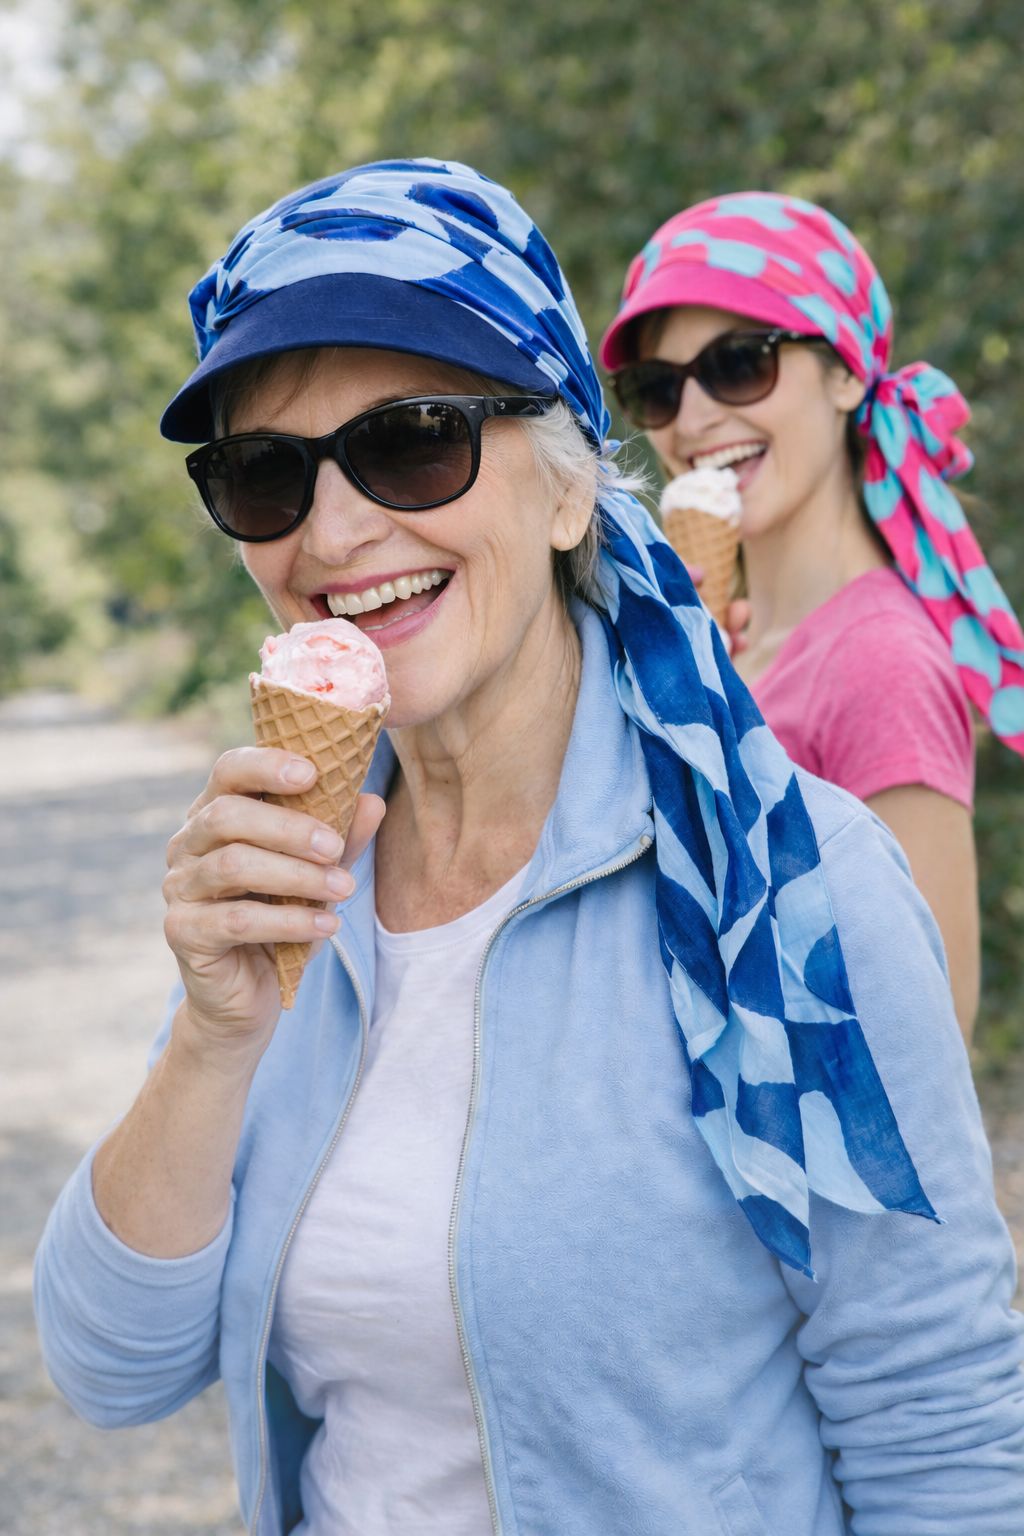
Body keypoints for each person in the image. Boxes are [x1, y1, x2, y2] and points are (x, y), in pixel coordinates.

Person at [34, 162, 1023, 1536]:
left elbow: (941, 1429)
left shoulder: (794, 885)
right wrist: (214, 1037)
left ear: (567, 490)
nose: (332, 531)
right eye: (264, 474)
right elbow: (108, 1368)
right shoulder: (290, 872)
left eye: (414, 441)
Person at [601, 192, 1024, 1044]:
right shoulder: (727, 651)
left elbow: (930, 1029)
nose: (692, 419)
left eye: (739, 363)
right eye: (658, 387)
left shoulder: (880, 662)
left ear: (844, 372)